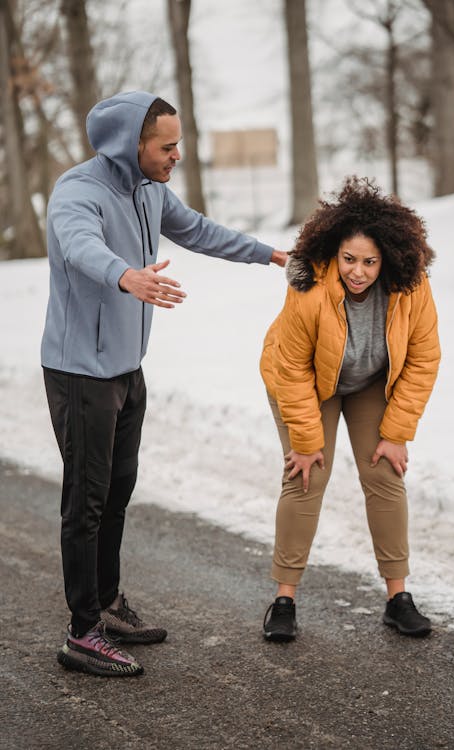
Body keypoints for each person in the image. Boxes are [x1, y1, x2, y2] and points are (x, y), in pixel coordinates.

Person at [41, 90, 287, 677]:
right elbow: (79, 247)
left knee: (119, 489)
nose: (178, 153)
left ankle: (107, 603)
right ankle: (82, 633)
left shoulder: (149, 191)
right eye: (168, 145)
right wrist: (125, 275)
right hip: (81, 373)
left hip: (127, 368)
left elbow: (198, 231)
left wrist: (272, 255)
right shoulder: (79, 191)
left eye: (179, 143)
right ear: (134, 145)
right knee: (86, 500)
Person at [259, 176, 440, 642]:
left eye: (370, 262)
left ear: (389, 259)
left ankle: (398, 599)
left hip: (368, 382)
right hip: (305, 385)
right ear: (333, 252)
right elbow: (293, 368)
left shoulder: (410, 287)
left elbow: (423, 359)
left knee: (384, 471)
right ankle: (284, 600)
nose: (358, 271)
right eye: (349, 259)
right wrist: (304, 442)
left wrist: (396, 431)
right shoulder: (310, 288)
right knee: (307, 475)